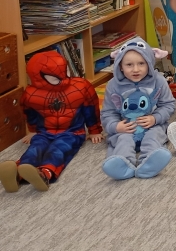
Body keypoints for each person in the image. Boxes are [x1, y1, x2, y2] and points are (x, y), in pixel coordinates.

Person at [0, 51, 103, 192]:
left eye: (65, 73)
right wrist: (33, 130)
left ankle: (44, 174)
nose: (63, 80)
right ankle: (18, 173)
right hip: (44, 132)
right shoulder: (30, 94)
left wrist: (94, 130)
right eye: (55, 78)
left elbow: (91, 108)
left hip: (72, 133)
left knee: (58, 149)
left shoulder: (81, 86)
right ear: (38, 77)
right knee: (35, 147)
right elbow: (30, 114)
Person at [100, 38, 175, 180]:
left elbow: (169, 105)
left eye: (141, 63)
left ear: (150, 63)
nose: (136, 69)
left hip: (152, 125)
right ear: (120, 66)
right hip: (126, 127)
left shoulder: (159, 80)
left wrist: (155, 118)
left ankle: (150, 162)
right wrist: (116, 126)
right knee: (123, 141)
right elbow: (108, 112)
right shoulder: (113, 85)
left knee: (153, 137)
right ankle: (123, 165)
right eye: (129, 64)